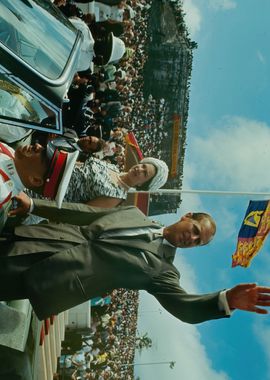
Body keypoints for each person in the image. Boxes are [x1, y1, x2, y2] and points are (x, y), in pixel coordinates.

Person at [3, 198, 270, 323]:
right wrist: (36, 206)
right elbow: (85, 214)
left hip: (44, 277)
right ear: (187, 216)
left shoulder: (163, 272)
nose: (192, 239)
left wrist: (225, 300)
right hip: (37, 237)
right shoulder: (133, 213)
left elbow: (185, 308)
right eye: (196, 231)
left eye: (198, 242)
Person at [0, 140, 78, 231]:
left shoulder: (2, 189)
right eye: (44, 148)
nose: (38, 145)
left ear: (35, 180)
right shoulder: (10, 153)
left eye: (43, 155)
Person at [63, 156, 169, 207]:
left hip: (56, 190)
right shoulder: (113, 167)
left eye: (145, 173)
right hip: (60, 165)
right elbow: (82, 165)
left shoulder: (116, 197)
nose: (139, 169)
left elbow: (80, 210)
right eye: (143, 166)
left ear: (142, 184)